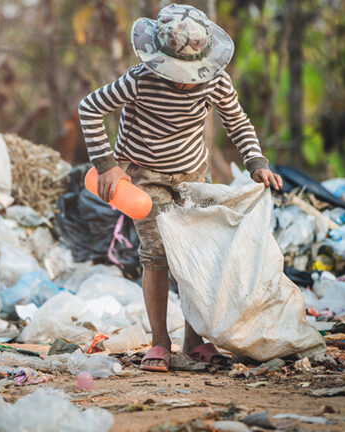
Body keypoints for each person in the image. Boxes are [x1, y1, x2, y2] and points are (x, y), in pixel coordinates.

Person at [78, 4, 283, 372]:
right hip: (142, 175)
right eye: (176, 72)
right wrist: (106, 165)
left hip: (192, 175)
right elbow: (90, 107)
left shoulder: (215, 81)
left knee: (195, 255)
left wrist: (256, 162)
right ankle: (160, 342)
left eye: (190, 73)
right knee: (157, 253)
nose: (184, 81)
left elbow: (237, 122)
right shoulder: (140, 80)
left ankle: (194, 341)